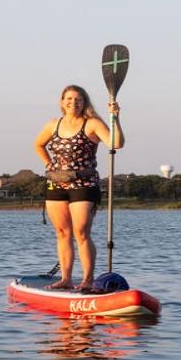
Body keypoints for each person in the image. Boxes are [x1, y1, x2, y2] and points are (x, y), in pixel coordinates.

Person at [32, 85, 123, 292]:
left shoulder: (92, 123)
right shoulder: (53, 124)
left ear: (85, 102)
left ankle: (87, 280)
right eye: (69, 98)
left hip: (83, 184)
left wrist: (115, 117)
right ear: (62, 101)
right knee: (62, 233)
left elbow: (116, 143)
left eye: (78, 99)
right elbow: (38, 145)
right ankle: (66, 279)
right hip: (56, 184)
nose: (73, 102)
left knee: (81, 232)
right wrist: (49, 165)